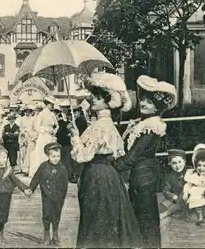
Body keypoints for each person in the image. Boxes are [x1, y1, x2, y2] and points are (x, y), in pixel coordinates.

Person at [69, 72, 141, 248]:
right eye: (94, 95)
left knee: (96, 220)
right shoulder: (105, 124)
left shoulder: (100, 126)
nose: (93, 99)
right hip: (109, 176)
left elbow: (83, 156)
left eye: (99, 97)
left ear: (108, 102)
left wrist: (75, 136)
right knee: (106, 218)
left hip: (97, 176)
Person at [111, 75, 177, 248]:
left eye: (149, 102)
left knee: (145, 218)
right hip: (141, 174)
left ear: (157, 107)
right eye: (143, 100)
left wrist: (111, 167)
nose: (143, 104)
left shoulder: (151, 127)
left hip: (143, 176)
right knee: (143, 217)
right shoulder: (143, 123)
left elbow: (133, 156)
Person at [27, 142, 69, 246]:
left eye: (58, 156)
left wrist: (62, 196)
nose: (56, 158)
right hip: (46, 196)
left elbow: (65, 184)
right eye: (53, 156)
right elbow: (36, 178)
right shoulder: (43, 166)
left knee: (56, 215)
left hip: (58, 197)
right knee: (47, 214)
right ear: (48, 156)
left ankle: (55, 235)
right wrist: (31, 189)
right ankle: (46, 234)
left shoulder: (63, 168)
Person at [28, 97, 59, 177]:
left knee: (51, 152)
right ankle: (41, 172)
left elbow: (57, 125)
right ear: (46, 104)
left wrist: (54, 131)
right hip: (44, 136)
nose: (52, 106)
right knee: (42, 153)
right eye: (50, 104)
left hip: (51, 136)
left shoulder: (52, 114)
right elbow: (36, 126)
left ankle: (51, 171)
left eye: (52, 104)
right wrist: (45, 129)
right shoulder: (42, 114)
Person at [159, 149, 189, 219]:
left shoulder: (190, 172)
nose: (177, 165)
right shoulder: (169, 176)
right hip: (175, 198)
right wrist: (173, 196)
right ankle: (174, 210)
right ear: (170, 163)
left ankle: (167, 213)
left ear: (184, 162)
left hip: (188, 197)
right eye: (174, 163)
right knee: (161, 206)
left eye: (179, 162)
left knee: (178, 205)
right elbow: (166, 190)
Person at [68, 105, 88, 183]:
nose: (74, 114)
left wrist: (70, 128)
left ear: (79, 112)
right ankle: (77, 175)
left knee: (78, 158)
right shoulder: (79, 119)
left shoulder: (80, 119)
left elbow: (78, 130)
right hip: (78, 139)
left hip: (79, 140)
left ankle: (77, 176)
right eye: (73, 112)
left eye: (75, 112)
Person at [17, 105, 36, 175]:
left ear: (30, 112)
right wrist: (23, 134)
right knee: (23, 153)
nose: (27, 113)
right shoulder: (21, 119)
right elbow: (20, 128)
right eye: (25, 112)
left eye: (28, 112)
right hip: (24, 136)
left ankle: (30, 168)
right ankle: (24, 169)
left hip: (31, 137)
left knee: (30, 153)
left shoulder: (33, 119)